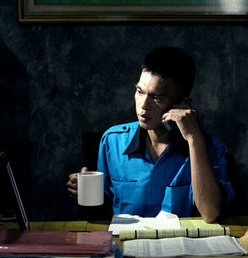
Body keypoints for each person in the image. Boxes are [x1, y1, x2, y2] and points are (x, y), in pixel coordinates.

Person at [67, 47, 235, 222]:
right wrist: (83, 190)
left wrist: (194, 139)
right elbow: (103, 211)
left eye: (157, 98)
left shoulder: (207, 146)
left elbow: (211, 213)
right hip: (127, 244)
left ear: (183, 104)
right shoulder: (112, 142)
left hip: (180, 246)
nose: (143, 105)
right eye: (140, 92)